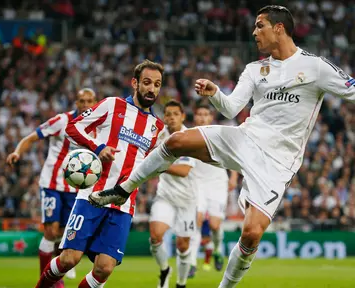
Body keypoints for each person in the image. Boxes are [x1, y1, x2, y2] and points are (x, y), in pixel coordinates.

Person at [88, 5, 355, 287]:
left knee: (251, 234)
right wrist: (215, 93)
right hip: (245, 139)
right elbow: (231, 109)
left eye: (260, 25)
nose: (254, 32)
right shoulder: (256, 69)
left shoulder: (315, 67)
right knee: (177, 140)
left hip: (278, 162)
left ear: (279, 28)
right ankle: (123, 190)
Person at [34, 59, 165, 288]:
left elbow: (155, 163)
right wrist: (98, 148)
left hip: (123, 205)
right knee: (69, 259)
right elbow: (72, 127)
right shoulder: (112, 105)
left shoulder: (158, 128)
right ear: (135, 83)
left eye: (157, 84)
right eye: (146, 82)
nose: (151, 88)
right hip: (92, 196)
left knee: (104, 268)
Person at [7, 88, 97, 284]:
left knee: (67, 234)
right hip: (52, 184)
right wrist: (17, 152)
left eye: (89, 101)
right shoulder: (62, 121)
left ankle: (57, 271)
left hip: (76, 189)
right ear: (76, 102)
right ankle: (48, 280)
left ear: (95, 103)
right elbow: (32, 137)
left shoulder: (99, 127)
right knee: (50, 231)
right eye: (81, 100)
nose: (85, 105)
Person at [149, 100, 197, 288]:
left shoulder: (189, 138)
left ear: (183, 116)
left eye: (175, 114)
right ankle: (164, 270)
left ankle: (181, 283)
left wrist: (158, 165)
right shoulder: (159, 136)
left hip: (187, 200)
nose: (171, 117)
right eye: (167, 114)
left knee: (183, 246)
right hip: (165, 196)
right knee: (155, 236)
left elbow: (184, 170)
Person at [188, 104, 238, 277]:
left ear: (211, 117)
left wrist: (233, 177)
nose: (202, 117)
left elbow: (233, 156)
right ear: (195, 117)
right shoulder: (188, 135)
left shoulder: (219, 134)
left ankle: (217, 250)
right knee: (197, 220)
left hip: (217, 182)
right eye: (199, 114)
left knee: (215, 225)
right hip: (197, 183)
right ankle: (192, 262)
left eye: (205, 114)